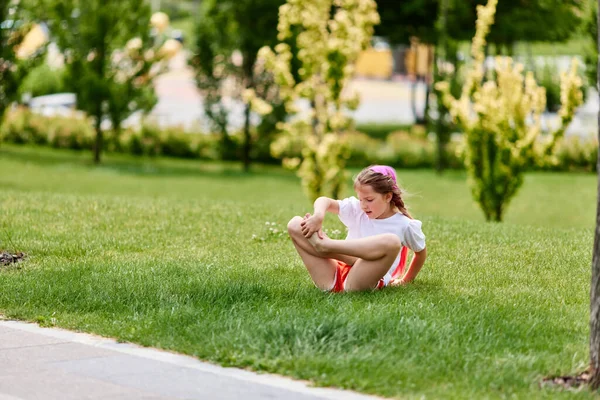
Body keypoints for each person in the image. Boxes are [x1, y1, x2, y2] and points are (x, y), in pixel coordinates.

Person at [287, 165, 427, 292]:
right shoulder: (358, 209)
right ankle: (325, 247)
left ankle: (327, 246)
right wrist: (318, 216)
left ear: (388, 197)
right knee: (295, 224)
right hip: (332, 277)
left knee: (392, 242)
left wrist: (405, 280)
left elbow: (420, 253)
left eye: (369, 200)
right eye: (360, 199)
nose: (363, 205)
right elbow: (324, 201)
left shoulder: (404, 224)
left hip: (360, 281)